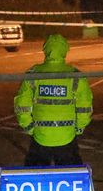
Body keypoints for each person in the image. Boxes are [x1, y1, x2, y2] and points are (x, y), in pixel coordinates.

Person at [14, 34, 93, 166]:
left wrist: (29, 127)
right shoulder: (76, 76)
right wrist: (78, 128)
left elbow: (22, 105)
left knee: (36, 179)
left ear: (45, 50)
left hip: (40, 137)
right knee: (70, 179)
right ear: (65, 51)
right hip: (67, 138)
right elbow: (84, 107)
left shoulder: (33, 74)